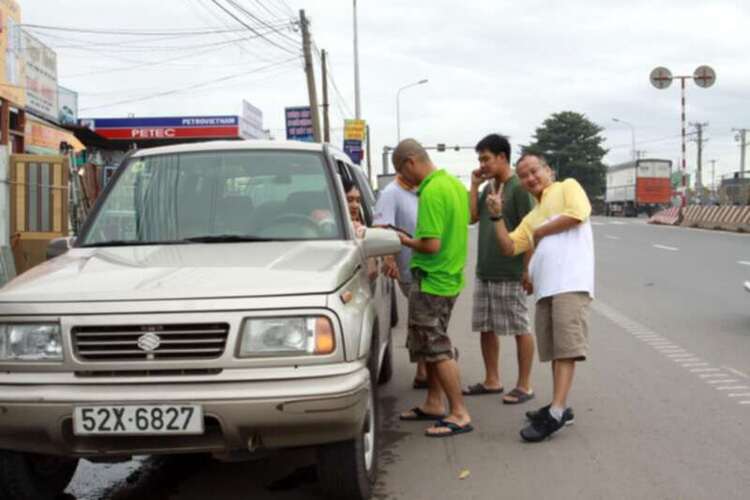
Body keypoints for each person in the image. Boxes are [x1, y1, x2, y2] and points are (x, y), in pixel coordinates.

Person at [486, 153, 594, 442]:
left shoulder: (567, 187)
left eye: (534, 171)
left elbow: (577, 214)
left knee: (566, 349)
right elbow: (509, 247)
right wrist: (496, 216)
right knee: (556, 350)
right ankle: (559, 405)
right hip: (546, 288)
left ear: (548, 170)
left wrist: (540, 233)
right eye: (523, 175)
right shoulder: (531, 216)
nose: (530, 178)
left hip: (570, 283)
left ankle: (556, 412)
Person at [393, 138, 473, 438]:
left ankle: (459, 412)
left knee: (437, 348)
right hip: (449, 278)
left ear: (411, 162)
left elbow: (430, 244)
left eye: (402, 172)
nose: (404, 180)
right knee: (432, 343)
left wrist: (403, 239)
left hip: (432, 280)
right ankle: (434, 402)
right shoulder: (452, 185)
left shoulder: (431, 191)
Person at [463, 134, 536, 405]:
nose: (482, 164)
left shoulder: (518, 188)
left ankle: (524, 385)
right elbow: (472, 217)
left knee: (520, 328)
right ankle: (492, 379)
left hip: (511, 270)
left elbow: (530, 231)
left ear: (502, 157)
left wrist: (527, 270)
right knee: (486, 327)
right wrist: (474, 184)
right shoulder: (488, 188)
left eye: (486, 159)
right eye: (480, 159)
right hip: (486, 270)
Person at [373, 172, 428, 388]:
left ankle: (427, 365)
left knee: (421, 318)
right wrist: (389, 258)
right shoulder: (391, 193)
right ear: (408, 166)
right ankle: (425, 369)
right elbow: (382, 229)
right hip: (409, 268)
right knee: (420, 319)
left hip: (426, 266)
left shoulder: (419, 190)